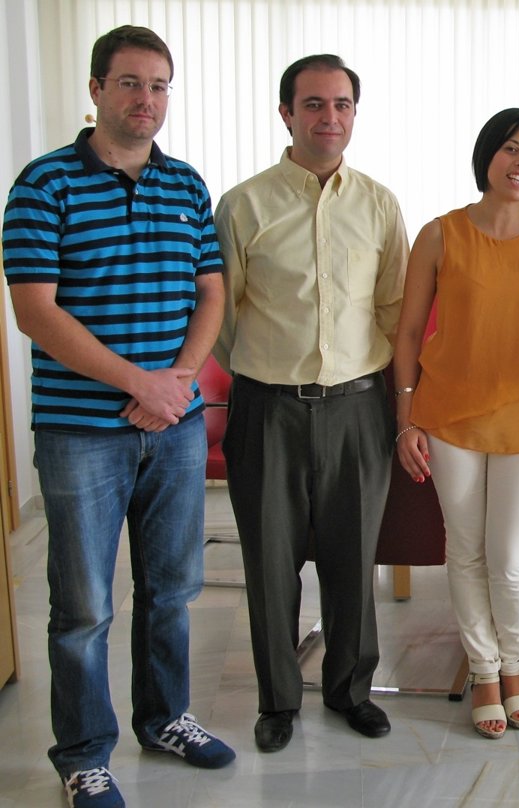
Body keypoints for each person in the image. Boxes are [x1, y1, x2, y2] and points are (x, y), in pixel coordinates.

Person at [2, 25, 234, 808]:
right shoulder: (44, 185)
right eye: (130, 83)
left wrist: (176, 382)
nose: (147, 99)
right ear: (97, 89)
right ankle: (83, 754)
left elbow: (211, 293)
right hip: (81, 435)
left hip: (174, 428)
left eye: (159, 85)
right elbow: (36, 311)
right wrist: (141, 382)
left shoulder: (185, 185)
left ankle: (165, 718)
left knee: (171, 590)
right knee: (83, 608)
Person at [213, 54, 409, 754]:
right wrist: (266, 374)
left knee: (353, 560)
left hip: (358, 408)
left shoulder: (380, 204)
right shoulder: (243, 205)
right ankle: (277, 700)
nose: (330, 117)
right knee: (271, 564)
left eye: (342, 104)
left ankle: (351, 690)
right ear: (286, 113)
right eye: (315, 104)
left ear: (355, 113)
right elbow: (221, 315)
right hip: (267, 410)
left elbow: (393, 309)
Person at [392, 108, 519, 740]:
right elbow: (409, 333)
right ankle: (484, 670)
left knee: (510, 555)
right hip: (447, 414)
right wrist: (405, 418)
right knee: (464, 549)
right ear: (487, 155)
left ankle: (515, 663)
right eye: (512, 149)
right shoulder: (440, 234)